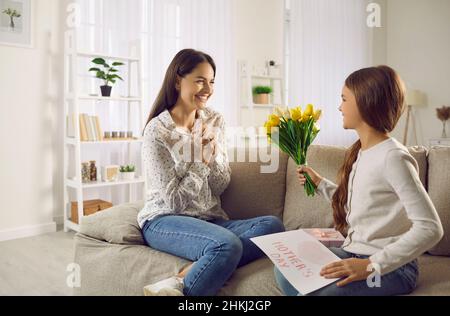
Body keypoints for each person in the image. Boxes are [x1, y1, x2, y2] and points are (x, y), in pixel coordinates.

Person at [275, 65, 443, 296]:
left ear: (365, 102)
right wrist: (321, 183)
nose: (339, 106)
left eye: (344, 99)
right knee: (285, 269)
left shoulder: (393, 157)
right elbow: (361, 206)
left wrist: (370, 265)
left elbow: (430, 228)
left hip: (392, 268)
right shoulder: (361, 152)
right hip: (353, 253)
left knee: (325, 294)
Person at [138, 49, 285, 296]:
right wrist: (199, 161)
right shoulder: (157, 131)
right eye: (200, 80)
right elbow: (175, 201)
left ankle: (187, 274)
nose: (208, 88)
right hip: (164, 219)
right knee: (226, 245)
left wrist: (213, 157)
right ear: (177, 81)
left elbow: (219, 185)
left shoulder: (214, 120)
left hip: (210, 219)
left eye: (212, 81)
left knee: (272, 226)